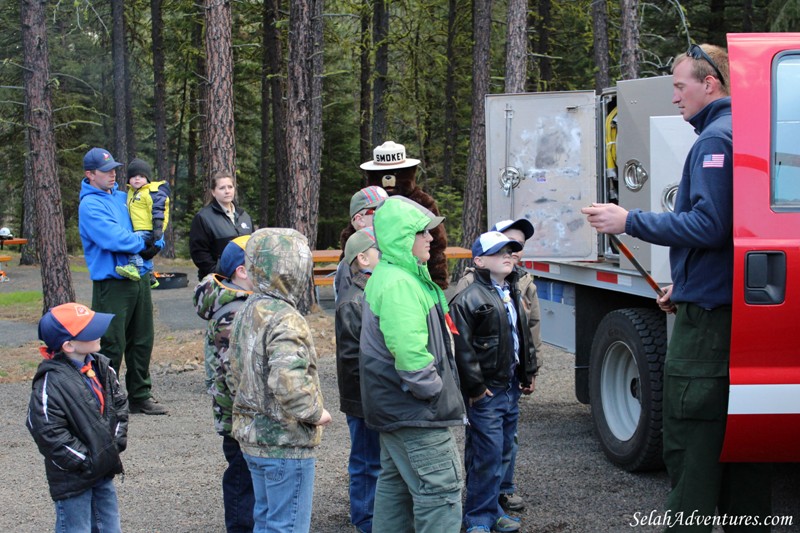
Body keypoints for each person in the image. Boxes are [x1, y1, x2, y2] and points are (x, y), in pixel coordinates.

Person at [581, 44, 772, 529]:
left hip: (709, 326)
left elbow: (709, 227)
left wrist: (629, 220)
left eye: (680, 85)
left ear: (711, 84)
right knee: (743, 441)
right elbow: (742, 235)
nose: (673, 98)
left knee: (691, 435)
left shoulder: (714, 141)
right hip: (736, 310)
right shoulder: (748, 132)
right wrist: (684, 285)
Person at [359, 196, 466, 533]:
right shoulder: (399, 284)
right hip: (415, 413)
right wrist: (434, 391)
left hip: (398, 410)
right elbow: (410, 356)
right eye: (423, 233)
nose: (431, 239)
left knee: (396, 490)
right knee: (441, 494)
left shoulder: (397, 275)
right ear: (403, 237)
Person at [227, 228, 332, 533]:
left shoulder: (247, 309)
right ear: (295, 268)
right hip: (285, 442)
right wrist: (314, 413)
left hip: (253, 436)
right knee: (286, 526)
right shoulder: (285, 318)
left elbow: (231, 369)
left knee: (267, 520)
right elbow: (288, 380)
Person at [450, 231, 539, 533]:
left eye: (511, 251)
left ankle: (493, 510)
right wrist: (476, 388)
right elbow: (461, 347)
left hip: (510, 386)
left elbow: (521, 337)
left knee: (502, 451)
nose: (508, 255)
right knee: (486, 455)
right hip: (487, 391)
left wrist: (527, 373)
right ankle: (477, 518)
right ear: (479, 261)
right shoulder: (468, 298)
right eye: (499, 251)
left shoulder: (511, 290)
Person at [79, 147, 167, 415]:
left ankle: (140, 395)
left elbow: (146, 222)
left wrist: (157, 239)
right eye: (106, 171)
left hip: (139, 277)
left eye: (114, 169)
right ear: (90, 174)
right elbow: (113, 237)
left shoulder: (123, 197)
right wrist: (144, 243)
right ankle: (105, 398)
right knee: (111, 342)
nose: (112, 174)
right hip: (113, 283)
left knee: (142, 339)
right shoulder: (90, 205)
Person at [27, 303, 129, 533]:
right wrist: (84, 460)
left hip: (103, 469)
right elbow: (47, 430)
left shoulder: (102, 366)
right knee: (76, 528)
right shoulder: (50, 382)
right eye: (89, 330)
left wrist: (113, 445)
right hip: (73, 479)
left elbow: (119, 406)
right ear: (68, 345)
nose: (99, 332)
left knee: (110, 527)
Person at [193, 236, 255, 533]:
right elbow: (237, 374)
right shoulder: (234, 313)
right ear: (242, 271)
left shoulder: (240, 303)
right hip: (239, 418)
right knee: (243, 478)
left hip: (240, 415)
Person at [334, 227, 381, 532]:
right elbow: (352, 360)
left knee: (377, 458)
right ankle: (364, 519)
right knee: (366, 460)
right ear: (362, 258)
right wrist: (367, 400)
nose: (385, 255)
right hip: (362, 399)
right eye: (379, 251)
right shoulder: (353, 301)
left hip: (375, 396)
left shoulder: (373, 291)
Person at [361, 141, 450, 289]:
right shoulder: (366, 203)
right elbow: (353, 240)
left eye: (396, 173)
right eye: (382, 174)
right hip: (373, 279)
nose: (388, 179)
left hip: (416, 279)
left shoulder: (422, 203)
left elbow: (436, 244)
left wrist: (436, 281)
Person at [116, 157, 170, 289]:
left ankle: (135, 267)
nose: (137, 179)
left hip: (147, 229)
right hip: (138, 228)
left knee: (133, 245)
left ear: (147, 178)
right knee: (145, 252)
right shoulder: (130, 193)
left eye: (141, 176)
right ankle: (151, 276)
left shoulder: (150, 192)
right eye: (133, 176)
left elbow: (158, 211)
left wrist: (158, 231)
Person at [189, 172, 253, 280]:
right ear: (213, 192)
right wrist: (218, 272)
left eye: (230, 187)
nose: (227, 191)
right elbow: (199, 252)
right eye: (222, 188)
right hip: (217, 281)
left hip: (244, 279)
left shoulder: (244, 216)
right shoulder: (203, 217)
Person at [334, 185, 388, 302]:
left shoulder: (387, 250)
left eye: (389, 209)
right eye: (379, 210)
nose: (388, 215)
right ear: (360, 219)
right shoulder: (348, 266)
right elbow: (351, 311)